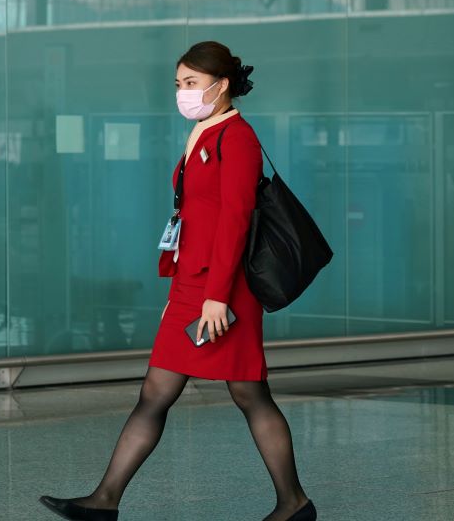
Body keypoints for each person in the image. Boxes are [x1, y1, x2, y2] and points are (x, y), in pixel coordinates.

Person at [39, 41, 317, 521]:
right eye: (178, 84)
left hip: (223, 291)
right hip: (194, 285)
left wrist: (214, 298)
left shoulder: (237, 137)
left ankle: (294, 503)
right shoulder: (204, 132)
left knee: (249, 391)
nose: (182, 93)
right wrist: (180, 292)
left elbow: (234, 221)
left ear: (221, 85)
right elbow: (194, 216)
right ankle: (104, 501)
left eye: (191, 84)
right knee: (158, 393)